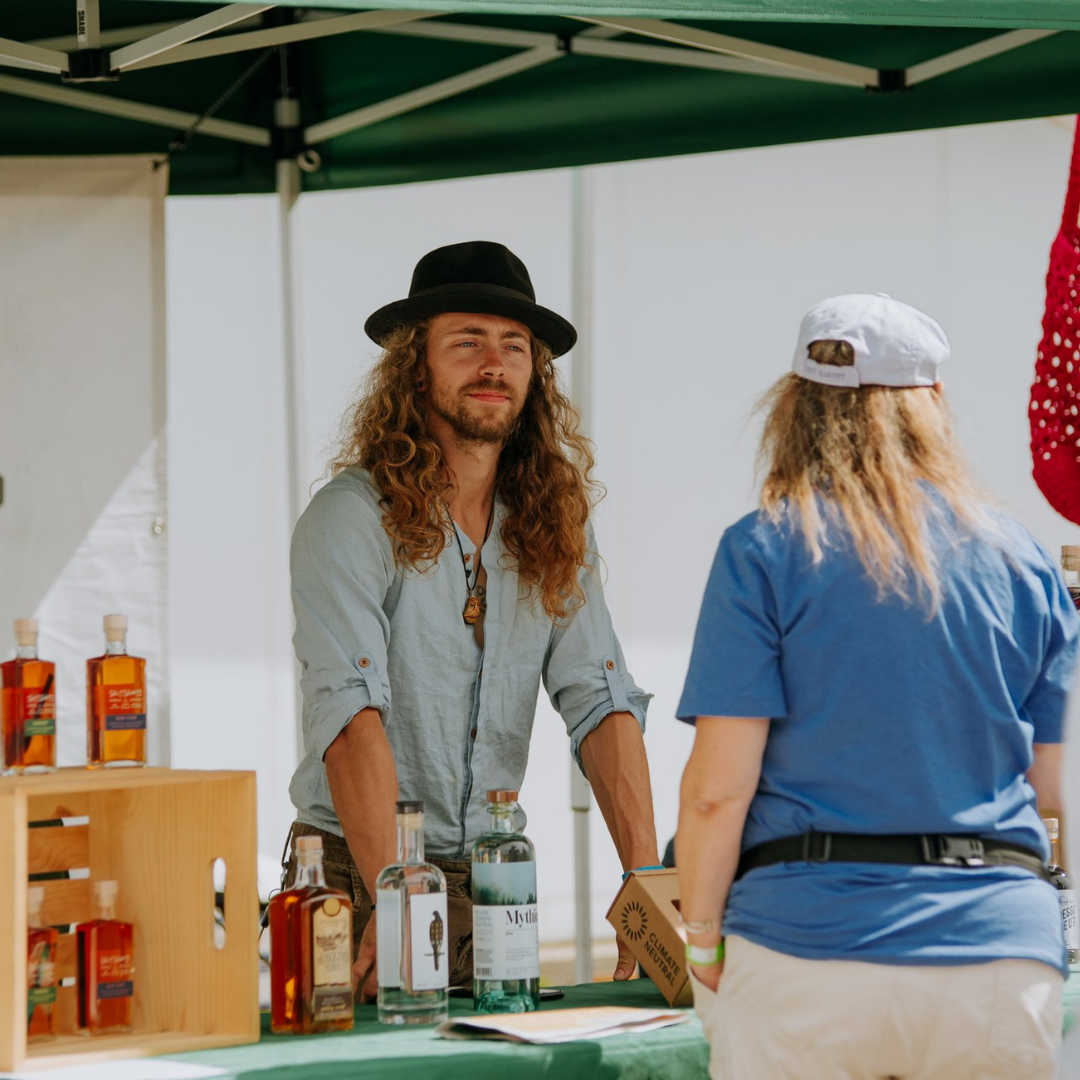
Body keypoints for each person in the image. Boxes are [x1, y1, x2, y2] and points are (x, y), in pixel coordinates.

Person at [675, 293, 1079, 1080]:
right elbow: (1051, 790)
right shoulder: (1024, 560)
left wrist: (701, 936)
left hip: (805, 949)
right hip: (998, 950)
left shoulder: (762, 548)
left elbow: (717, 793)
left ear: (794, 406)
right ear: (932, 405)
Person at [286, 240, 658, 999]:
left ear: (535, 375)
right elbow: (350, 717)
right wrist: (397, 895)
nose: (493, 364)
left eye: (513, 347)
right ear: (415, 366)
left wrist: (646, 882)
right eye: (467, 342)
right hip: (359, 875)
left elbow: (601, 699)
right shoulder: (351, 517)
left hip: (495, 879)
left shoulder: (554, 526)